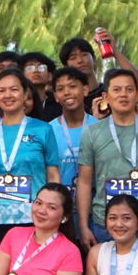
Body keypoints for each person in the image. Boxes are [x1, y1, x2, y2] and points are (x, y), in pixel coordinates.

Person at [0, 69, 60, 275]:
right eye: (1, 90)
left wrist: (54, 211)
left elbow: (53, 174)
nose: (7, 95)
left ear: (25, 95)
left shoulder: (43, 129)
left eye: (14, 89)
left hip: (36, 218)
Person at [77, 69, 138, 250]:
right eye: (117, 90)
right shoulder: (92, 132)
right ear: (106, 96)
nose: (123, 94)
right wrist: (84, 226)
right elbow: (84, 182)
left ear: (137, 95)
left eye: (129, 89)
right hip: (104, 224)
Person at [58, 31, 138, 119]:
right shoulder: (68, 99)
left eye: (84, 54)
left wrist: (114, 51)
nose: (80, 60)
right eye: (73, 57)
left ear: (93, 58)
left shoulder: (110, 90)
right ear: (66, 66)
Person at [48, 66, 98, 204]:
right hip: (62, 205)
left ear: (85, 90)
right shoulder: (48, 131)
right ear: (56, 97)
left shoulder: (100, 128)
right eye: (60, 89)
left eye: (72, 86)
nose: (67, 92)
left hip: (95, 205)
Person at [19, 52, 62, 121]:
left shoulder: (59, 102)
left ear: (50, 76)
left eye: (41, 67)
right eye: (30, 68)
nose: (36, 71)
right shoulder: (17, 103)